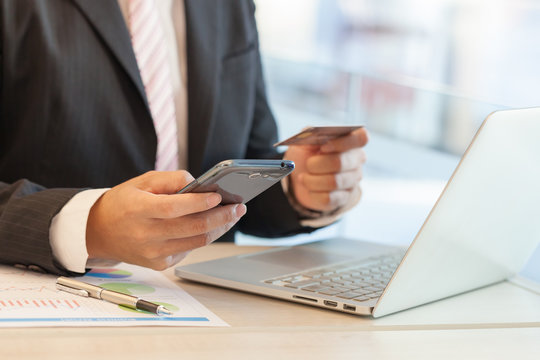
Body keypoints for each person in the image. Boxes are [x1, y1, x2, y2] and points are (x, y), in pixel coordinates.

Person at [0, 0, 368, 276]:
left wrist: (300, 189)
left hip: (207, 307)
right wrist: (90, 226)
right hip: (52, 304)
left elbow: (245, 163)